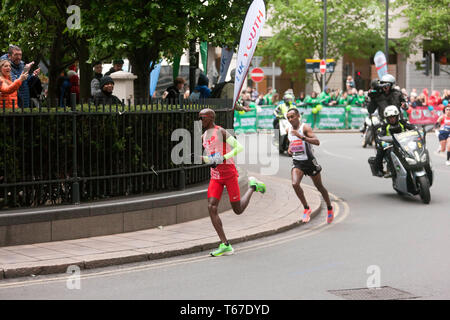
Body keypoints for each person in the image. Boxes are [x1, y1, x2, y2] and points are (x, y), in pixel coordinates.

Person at [199, 108, 266, 256]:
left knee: (238, 210)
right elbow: (211, 157)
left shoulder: (221, 131)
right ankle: (225, 244)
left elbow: (238, 147)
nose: (200, 120)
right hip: (215, 175)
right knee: (211, 207)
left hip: (229, 174)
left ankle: (253, 186)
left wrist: (224, 157)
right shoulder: (204, 135)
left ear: (210, 118)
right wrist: (201, 158)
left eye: (202, 117)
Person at [286, 107, 334, 224]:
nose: (290, 119)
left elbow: (317, 142)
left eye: (292, 117)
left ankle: (329, 208)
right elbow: (291, 143)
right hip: (298, 162)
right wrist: (289, 149)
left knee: (319, 187)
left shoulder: (305, 128)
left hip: (309, 162)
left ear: (298, 116)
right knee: (295, 184)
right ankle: (306, 208)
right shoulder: (289, 130)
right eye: (288, 118)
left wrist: (301, 137)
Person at [373, 105, 417, 177]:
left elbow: (413, 127)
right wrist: (381, 141)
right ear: (387, 118)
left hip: (404, 143)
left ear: (397, 116)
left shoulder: (402, 122)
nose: (392, 119)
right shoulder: (384, 125)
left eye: (394, 117)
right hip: (390, 144)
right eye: (390, 118)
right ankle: (379, 169)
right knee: (381, 150)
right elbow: (379, 135)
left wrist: (418, 130)